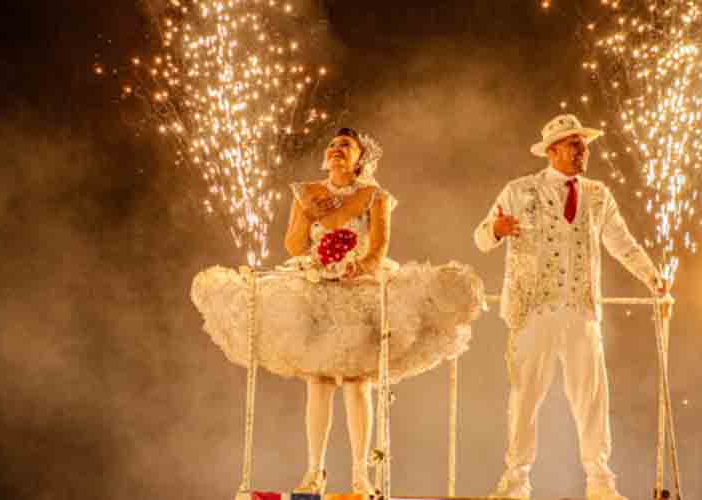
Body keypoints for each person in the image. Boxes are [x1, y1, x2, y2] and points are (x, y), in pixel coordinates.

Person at [191, 128, 485, 496]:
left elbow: (377, 249)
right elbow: (294, 245)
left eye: (345, 146)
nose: (336, 150)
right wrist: (312, 232)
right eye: (332, 145)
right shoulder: (308, 193)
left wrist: (354, 265)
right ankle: (315, 470)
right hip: (317, 287)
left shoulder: (375, 197)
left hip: (358, 290)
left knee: (359, 380)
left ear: (360, 157)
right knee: (319, 380)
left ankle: (361, 475)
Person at [474, 115, 667, 500]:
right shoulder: (519, 190)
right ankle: (516, 479)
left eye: (585, 145)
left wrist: (652, 276)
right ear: (553, 151)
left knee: (592, 397)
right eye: (575, 145)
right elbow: (481, 238)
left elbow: (621, 242)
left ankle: (600, 481)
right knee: (525, 396)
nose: (583, 152)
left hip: (579, 309)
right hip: (533, 310)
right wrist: (498, 229)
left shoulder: (598, 194)